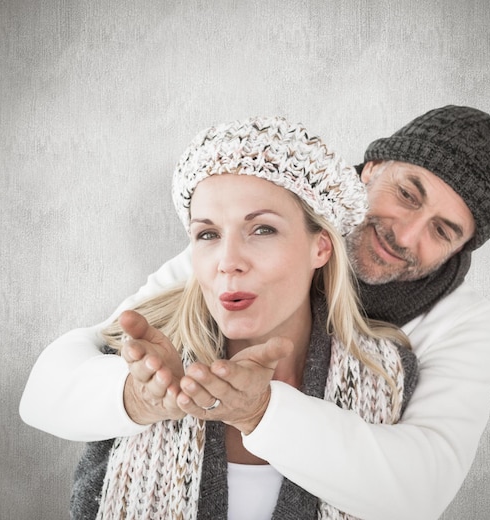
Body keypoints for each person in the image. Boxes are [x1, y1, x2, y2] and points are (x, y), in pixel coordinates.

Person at [20, 105, 490, 519]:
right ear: (370, 170)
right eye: (407, 194)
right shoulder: (237, 251)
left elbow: (421, 488)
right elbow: (67, 377)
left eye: (442, 231)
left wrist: (260, 412)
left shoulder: (459, 326)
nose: (405, 235)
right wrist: (139, 396)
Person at [67, 116, 417, 519]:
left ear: (320, 248)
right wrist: (137, 399)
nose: (228, 262)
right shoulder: (134, 359)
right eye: (208, 235)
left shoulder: (388, 375)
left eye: (263, 229)